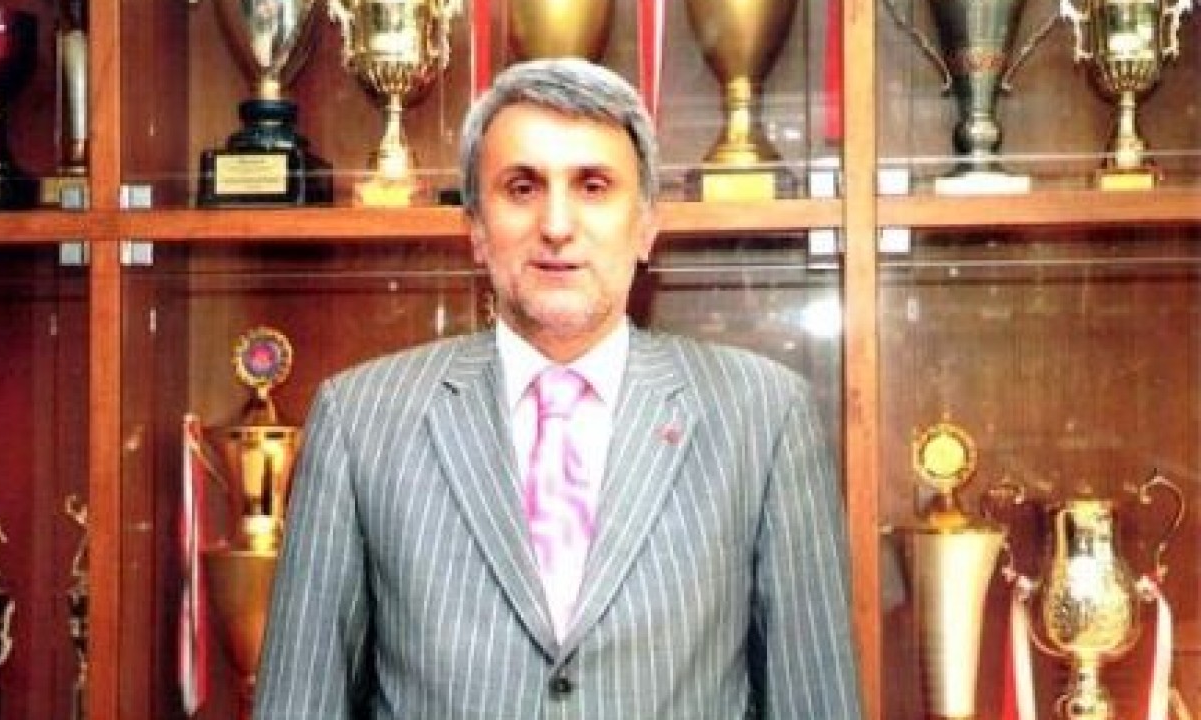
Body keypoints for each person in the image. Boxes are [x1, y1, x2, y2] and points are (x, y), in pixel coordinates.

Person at [254, 58, 862, 719]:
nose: (557, 225)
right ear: (476, 228)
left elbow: (815, 701)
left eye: (594, 186)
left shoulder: (764, 416)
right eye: (522, 188)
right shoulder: (360, 420)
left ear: (646, 225)